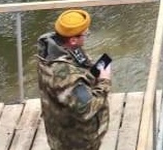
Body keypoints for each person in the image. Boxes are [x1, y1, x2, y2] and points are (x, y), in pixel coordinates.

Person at [36, 9, 113, 150]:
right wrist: (104, 81)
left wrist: (92, 73)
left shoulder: (51, 48)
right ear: (73, 40)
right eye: (85, 34)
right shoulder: (67, 75)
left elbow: (80, 70)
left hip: (58, 126)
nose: (87, 37)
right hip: (76, 140)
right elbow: (87, 108)